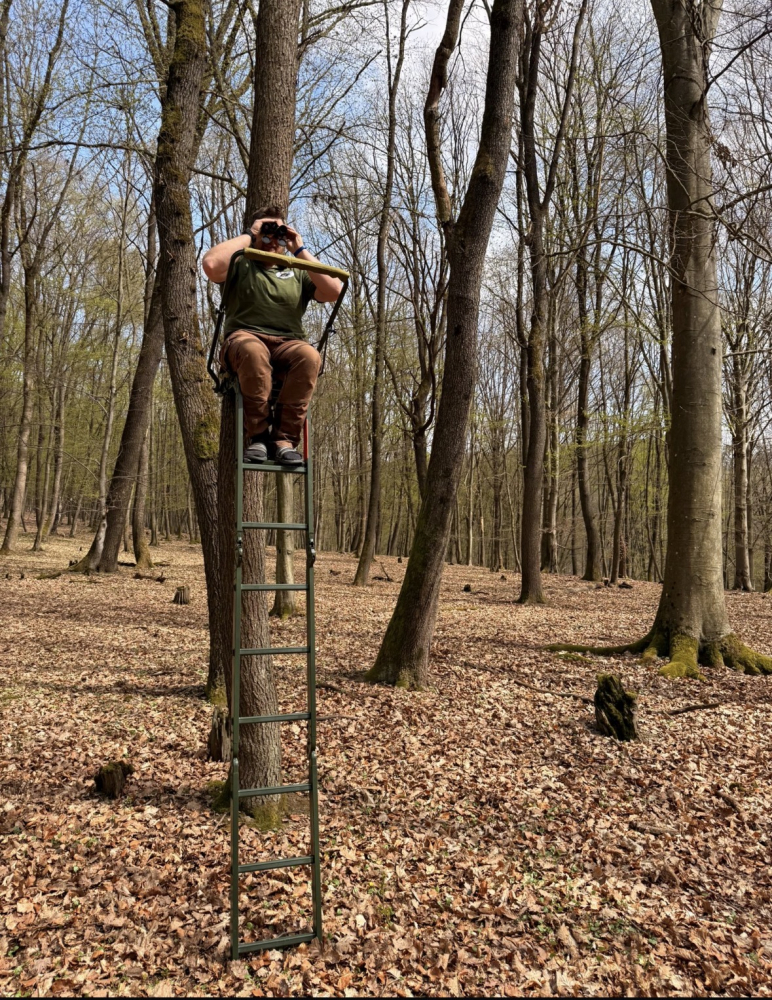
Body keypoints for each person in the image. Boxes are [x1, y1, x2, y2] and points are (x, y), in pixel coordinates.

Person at [202, 207, 342, 464]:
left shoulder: (297, 269)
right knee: (253, 352)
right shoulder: (240, 262)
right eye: (266, 231)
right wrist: (250, 235)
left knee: (310, 356)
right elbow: (211, 265)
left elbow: (334, 289)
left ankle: (284, 440)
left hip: (288, 343)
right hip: (244, 339)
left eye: (278, 231)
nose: (272, 238)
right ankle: (258, 438)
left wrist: (297, 248)